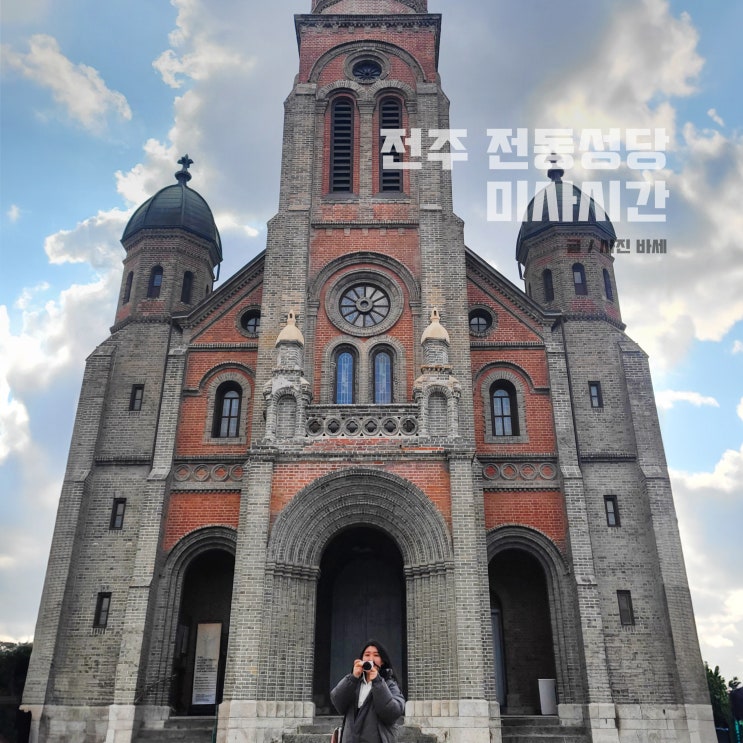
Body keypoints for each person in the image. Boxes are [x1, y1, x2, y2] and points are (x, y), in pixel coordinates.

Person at [330, 639, 405, 743]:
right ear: (361, 659)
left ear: (382, 661)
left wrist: (377, 681)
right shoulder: (354, 683)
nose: (371, 659)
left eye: (376, 655)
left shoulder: (389, 684)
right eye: (367, 655)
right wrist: (353, 677)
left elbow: (392, 713)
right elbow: (338, 703)